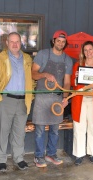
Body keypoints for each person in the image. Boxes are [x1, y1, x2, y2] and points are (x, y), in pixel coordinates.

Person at [0, 32, 33, 171]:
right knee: (3, 131)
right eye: (11, 41)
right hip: (5, 100)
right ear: (7, 43)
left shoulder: (27, 59)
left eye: (17, 41)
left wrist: (30, 96)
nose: (14, 44)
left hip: (23, 101)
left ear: (21, 42)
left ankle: (19, 158)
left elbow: (31, 80)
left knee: (19, 132)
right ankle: (1, 160)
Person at [31, 30, 73, 168]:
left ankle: (51, 154)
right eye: (58, 40)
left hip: (57, 98)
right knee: (40, 130)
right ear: (53, 40)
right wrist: (45, 74)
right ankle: (38, 156)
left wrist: (65, 98)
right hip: (42, 97)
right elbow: (33, 74)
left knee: (55, 129)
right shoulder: (43, 54)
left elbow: (67, 82)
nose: (60, 43)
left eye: (63, 41)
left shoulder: (67, 59)